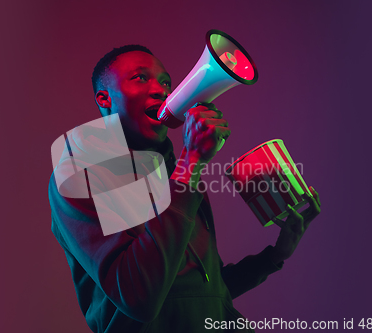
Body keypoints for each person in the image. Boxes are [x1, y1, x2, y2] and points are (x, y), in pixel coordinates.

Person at [48, 45, 321, 332]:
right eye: (140, 78)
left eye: (166, 82)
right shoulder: (81, 174)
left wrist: (274, 256)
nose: (161, 90)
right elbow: (141, 297)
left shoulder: (175, 173)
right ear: (105, 98)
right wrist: (191, 164)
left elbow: (202, 294)